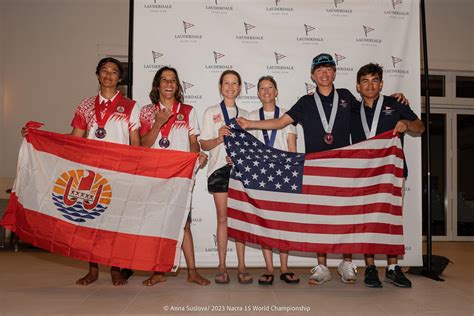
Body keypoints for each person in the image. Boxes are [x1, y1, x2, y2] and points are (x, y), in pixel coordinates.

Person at [237, 53, 408, 285]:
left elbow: (372, 104)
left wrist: (396, 100)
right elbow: (280, 122)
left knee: (347, 215)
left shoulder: (347, 97)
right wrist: (250, 124)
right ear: (312, 75)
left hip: (345, 167)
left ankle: (347, 264)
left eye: (329, 69)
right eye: (320, 70)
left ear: (334, 73)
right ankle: (321, 266)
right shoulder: (306, 102)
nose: (324, 73)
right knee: (319, 218)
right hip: (317, 168)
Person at [21, 57, 141, 286]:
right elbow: (75, 137)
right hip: (91, 173)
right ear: (97, 75)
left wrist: (135, 170)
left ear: (120, 78)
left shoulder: (130, 106)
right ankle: (93, 270)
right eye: (104, 71)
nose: (108, 75)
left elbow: (135, 142)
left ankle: (115, 268)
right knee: (91, 221)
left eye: (114, 71)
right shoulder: (85, 105)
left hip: (119, 172)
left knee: (115, 222)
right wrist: (39, 137)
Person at [350, 63, 424, 288]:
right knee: (368, 221)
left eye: (374, 81)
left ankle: (393, 268)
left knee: (391, 220)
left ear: (381, 84)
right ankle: (370, 267)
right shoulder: (352, 110)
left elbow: (420, 127)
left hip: (393, 172)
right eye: (365, 81)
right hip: (365, 173)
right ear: (358, 86)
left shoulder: (395, 104)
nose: (370, 85)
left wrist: (406, 123)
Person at [139, 66, 210, 286]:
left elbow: (193, 142)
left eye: (173, 80)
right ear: (157, 85)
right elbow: (143, 145)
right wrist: (158, 122)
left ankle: (192, 272)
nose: (169, 84)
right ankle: (159, 271)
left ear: (177, 86)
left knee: (184, 224)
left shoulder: (188, 111)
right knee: (158, 224)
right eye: (164, 80)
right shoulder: (147, 112)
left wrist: (196, 156)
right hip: (155, 176)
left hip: (180, 177)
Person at [199, 70, 252, 284]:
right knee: (223, 218)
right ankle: (222, 266)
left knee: (239, 219)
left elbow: (250, 148)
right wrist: (219, 137)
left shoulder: (246, 114)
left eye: (234, 83)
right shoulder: (211, 112)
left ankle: (241, 266)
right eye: (226, 83)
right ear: (220, 86)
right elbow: (204, 144)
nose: (230, 87)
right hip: (218, 169)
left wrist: (239, 157)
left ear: (239, 87)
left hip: (240, 171)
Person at [248, 76, 299, 285]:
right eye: (262, 88)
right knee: (265, 222)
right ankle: (269, 267)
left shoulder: (287, 116)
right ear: (258, 93)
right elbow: (248, 148)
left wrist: (292, 171)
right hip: (260, 176)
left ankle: (284, 267)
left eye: (270, 87)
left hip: (283, 175)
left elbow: (292, 147)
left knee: (283, 223)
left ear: (276, 91)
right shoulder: (252, 116)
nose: (266, 91)